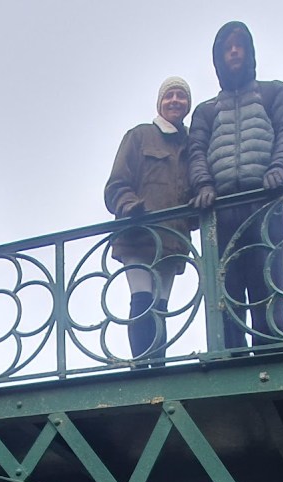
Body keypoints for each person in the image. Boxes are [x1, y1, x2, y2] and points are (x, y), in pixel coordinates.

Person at [188, 21, 283, 347]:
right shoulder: (206, 112)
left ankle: (273, 366)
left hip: (265, 203)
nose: (234, 52)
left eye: (239, 45)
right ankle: (232, 364)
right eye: (227, 48)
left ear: (249, 51)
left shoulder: (274, 92)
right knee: (227, 299)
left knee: (269, 294)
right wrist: (203, 184)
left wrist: (278, 168)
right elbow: (196, 152)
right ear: (218, 59)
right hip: (221, 212)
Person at [104, 77, 194, 362]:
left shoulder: (192, 146)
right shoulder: (139, 136)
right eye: (169, 95)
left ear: (188, 105)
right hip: (139, 235)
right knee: (142, 300)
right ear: (160, 103)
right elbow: (116, 185)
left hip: (173, 240)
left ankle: (158, 366)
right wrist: (130, 207)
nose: (175, 101)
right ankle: (143, 369)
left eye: (181, 96)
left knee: (161, 307)